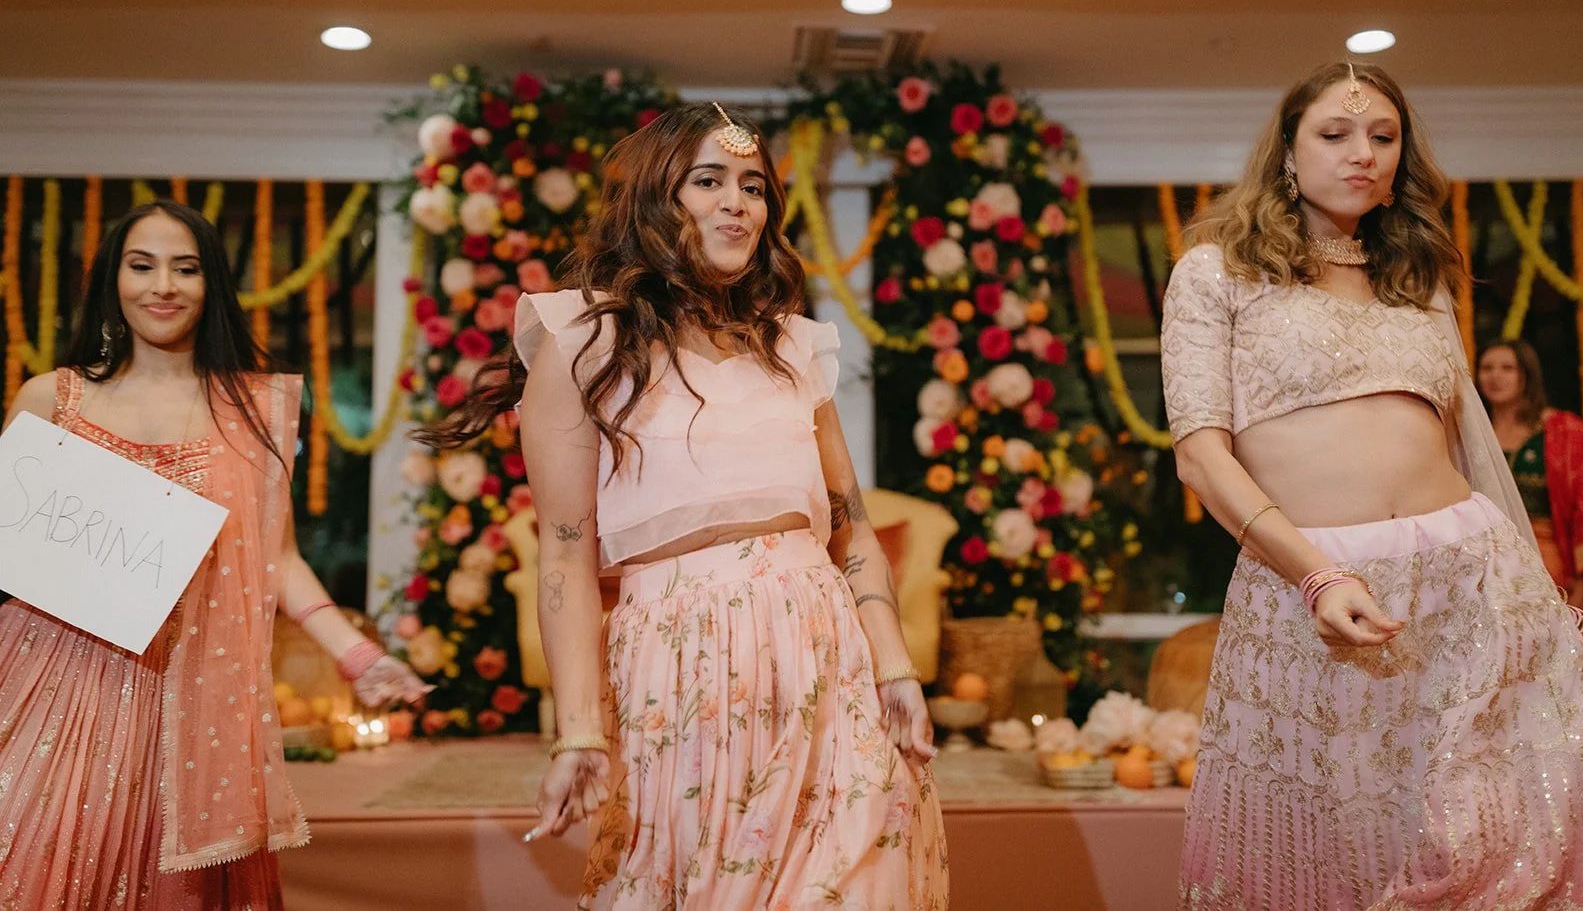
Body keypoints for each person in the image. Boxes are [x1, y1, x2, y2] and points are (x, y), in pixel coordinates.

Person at [423, 103, 947, 909]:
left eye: (753, 186)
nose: (738, 202)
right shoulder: (579, 344)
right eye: (709, 181)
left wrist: (896, 666)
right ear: (653, 202)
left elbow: (853, 530)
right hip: (682, 670)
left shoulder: (793, 347)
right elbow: (564, 555)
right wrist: (581, 732)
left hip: (827, 662)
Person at [1161, 63, 1583, 908]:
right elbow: (1202, 458)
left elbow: (1462, 446)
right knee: (1336, 856)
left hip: (1472, 580)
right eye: (1335, 134)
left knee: (1496, 838)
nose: (1363, 152)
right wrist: (1316, 575)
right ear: (1286, 150)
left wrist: (1540, 597)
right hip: (1311, 591)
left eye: (1384, 136)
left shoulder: (1418, 279)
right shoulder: (1217, 273)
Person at [0, 200, 427, 910]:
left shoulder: (252, 411)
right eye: (141, 265)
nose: (162, 285)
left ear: (212, 285)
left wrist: (359, 657)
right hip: (57, 680)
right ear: (111, 280)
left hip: (188, 704)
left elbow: (278, 559)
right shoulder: (51, 399)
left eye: (186, 267)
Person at [1478, 338, 1583, 621]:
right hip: (1484, 563)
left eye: (1508, 368)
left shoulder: (1562, 430)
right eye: (1487, 368)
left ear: (1527, 375)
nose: (1495, 376)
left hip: (1548, 561)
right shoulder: (1473, 435)